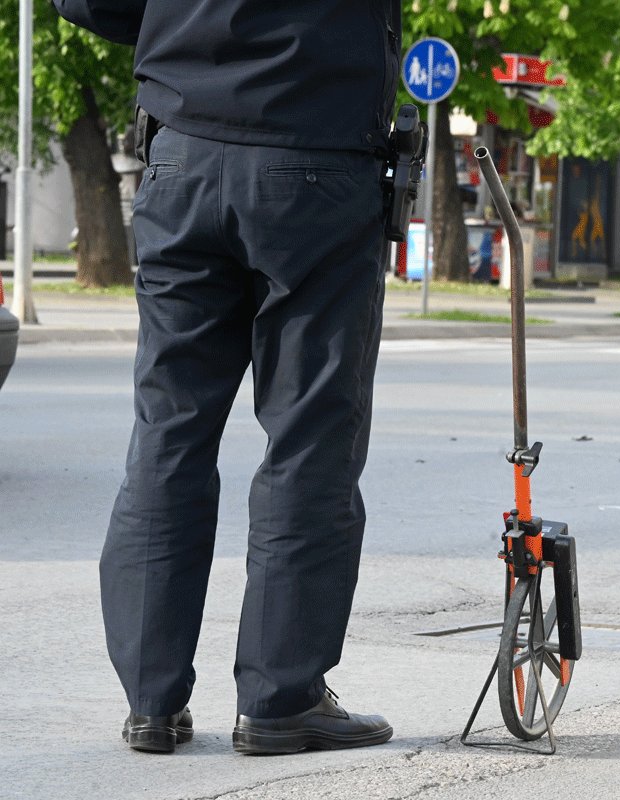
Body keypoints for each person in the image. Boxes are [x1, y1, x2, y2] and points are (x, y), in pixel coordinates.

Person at [52, 0, 400, 755]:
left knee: (168, 429)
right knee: (309, 434)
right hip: (315, 158)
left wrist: (190, 27)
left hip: (183, 155)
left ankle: (151, 701)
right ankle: (282, 699)